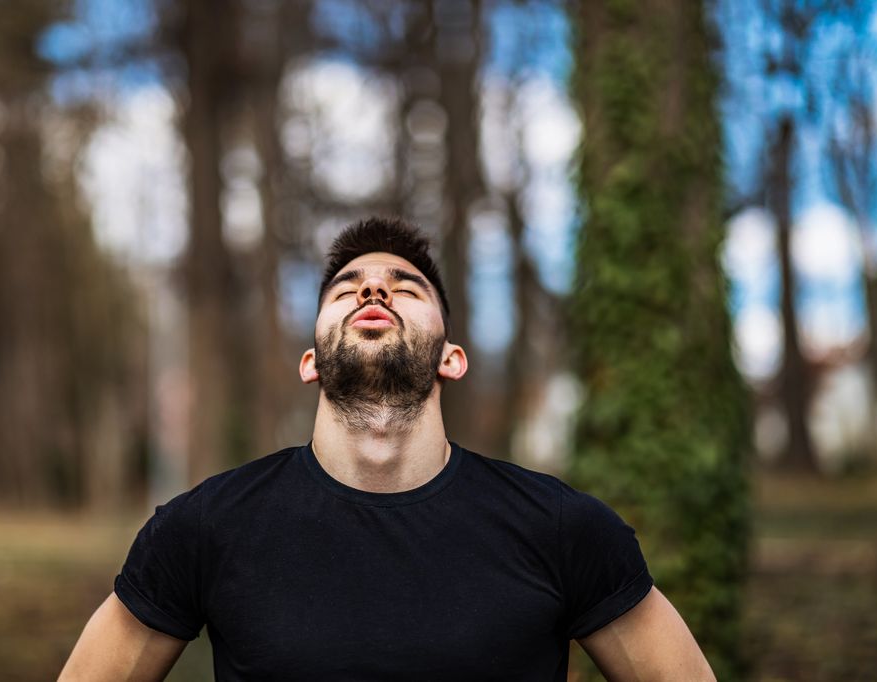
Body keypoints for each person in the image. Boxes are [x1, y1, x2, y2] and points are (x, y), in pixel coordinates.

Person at [60, 217, 715, 681]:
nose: (372, 290)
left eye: (405, 286)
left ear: (452, 359)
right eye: (347, 288)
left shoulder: (565, 529)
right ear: (311, 362)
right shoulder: (205, 528)